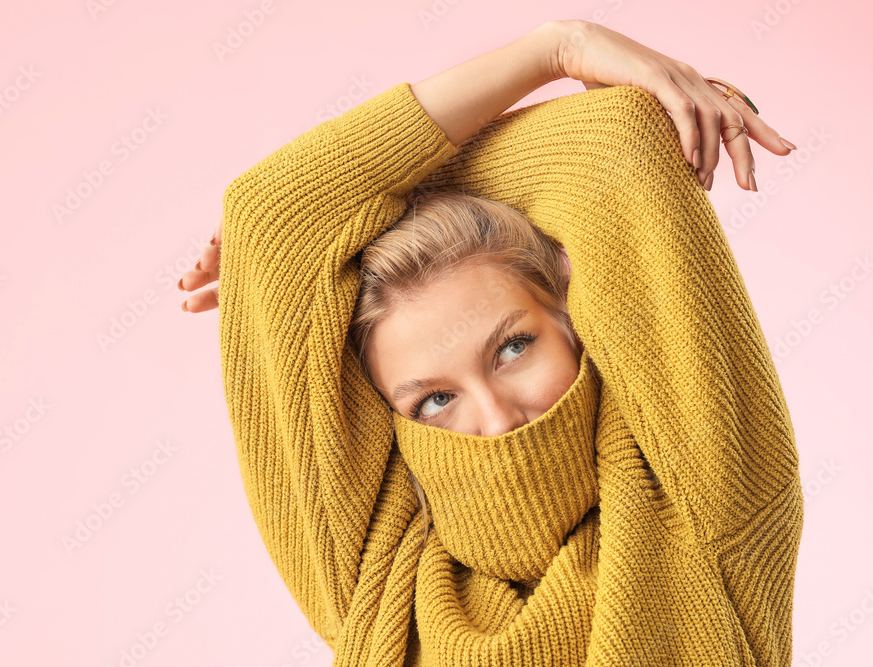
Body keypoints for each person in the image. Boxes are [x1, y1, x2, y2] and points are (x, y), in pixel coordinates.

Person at [179, 19, 804, 665]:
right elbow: (268, 215)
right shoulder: (378, 584)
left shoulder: (700, 491)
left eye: (513, 348)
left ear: (570, 311)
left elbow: (612, 148)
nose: (499, 420)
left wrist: (566, 47)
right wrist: (289, 269)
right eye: (433, 399)